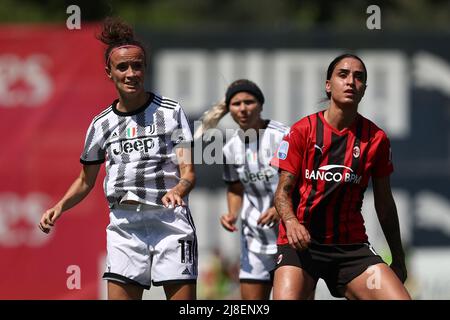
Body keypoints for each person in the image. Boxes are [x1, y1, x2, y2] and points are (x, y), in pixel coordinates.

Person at [38, 17, 197, 300]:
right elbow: (85, 181)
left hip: (170, 223)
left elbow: (188, 173)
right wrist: (60, 206)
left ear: (145, 69)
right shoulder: (100, 124)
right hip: (125, 226)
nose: (131, 73)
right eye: (122, 66)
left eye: (137, 65)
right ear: (109, 72)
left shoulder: (171, 113)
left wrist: (178, 189)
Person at [270, 53, 411, 300]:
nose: (350, 82)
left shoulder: (376, 139)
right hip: (302, 245)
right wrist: (291, 222)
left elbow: (385, 204)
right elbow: (283, 192)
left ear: (364, 89)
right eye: (343, 75)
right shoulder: (302, 131)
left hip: (350, 248)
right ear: (328, 85)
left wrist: (398, 258)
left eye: (359, 77)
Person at [195, 79, 289, 299]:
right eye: (237, 103)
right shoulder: (230, 148)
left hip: (290, 236)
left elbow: (305, 182)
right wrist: (232, 213)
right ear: (229, 109)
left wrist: (280, 208)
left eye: (249, 101)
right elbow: (235, 188)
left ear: (261, 105)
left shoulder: (284, 135)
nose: (243, 108)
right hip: (255, 238)